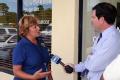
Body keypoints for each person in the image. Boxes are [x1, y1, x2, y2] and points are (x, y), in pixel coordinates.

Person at [65, 2, 120, 80]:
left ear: (101, 19)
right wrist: (75, 67)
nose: (91, 20)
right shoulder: (102, 36)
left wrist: (90, 59)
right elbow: (92, 58)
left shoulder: (113, 39)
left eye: (93, 17)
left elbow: (94, 64)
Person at [12, 15, 52, 80]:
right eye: (35, 27)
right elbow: (16, 71)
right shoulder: (21, 47)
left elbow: (45, 62)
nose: (38, 28)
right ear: (26, 30)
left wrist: (50, 77)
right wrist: (33, 77)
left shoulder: (40, 41)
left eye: (38, 26)